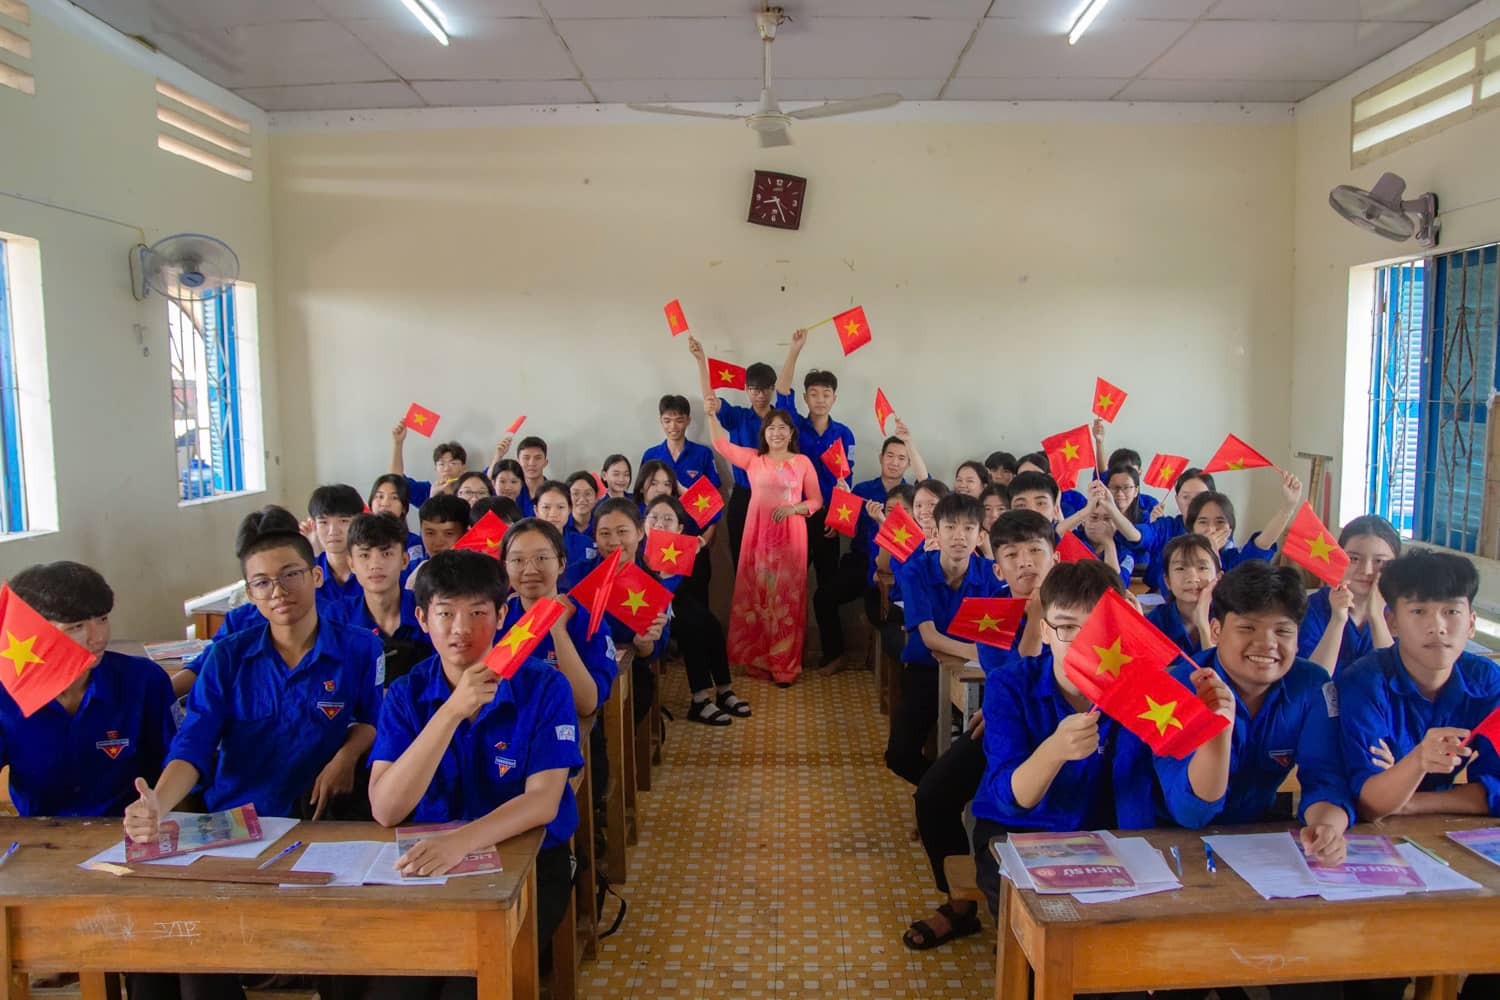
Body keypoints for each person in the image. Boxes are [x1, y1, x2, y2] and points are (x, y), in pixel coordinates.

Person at [123, 508, 383, 1000]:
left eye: (290, 576)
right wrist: (158, 801)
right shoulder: (228, 656)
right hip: (238, 819)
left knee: (348, 946)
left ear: (316, 575)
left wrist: (346, 757)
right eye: (261, 583)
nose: (278, 592)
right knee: (188, 946)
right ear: (249, 593)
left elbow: (373, 721)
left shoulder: (359, 648)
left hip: (322, 818)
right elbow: (192, 746)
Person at [365, 549, 581, 997]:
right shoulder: (407, 693)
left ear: (503, 614)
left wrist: (460, 843)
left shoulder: (544, 687)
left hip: (531, 864)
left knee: (468, 986)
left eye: (478, 612)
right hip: (429, 868)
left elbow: (543, 801)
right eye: (445, 613)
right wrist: (450, 711)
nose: (461, 629)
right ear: (423, 619)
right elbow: (386, 809)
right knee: (393, 987)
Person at [904, 509, 1058, 950]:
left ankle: (1033, 917)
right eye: (1012, 554)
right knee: (932, 797)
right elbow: (1016, 684)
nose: (1026, 563)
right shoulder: (991, 618)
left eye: (1035, 551)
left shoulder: (1077, 607)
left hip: (1065, 737)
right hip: (1010, 733)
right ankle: (960, 906)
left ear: (1055, 557)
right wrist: (1031, 620)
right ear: (997, 568)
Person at [968, 559, 1157, 921]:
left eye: (1101, 629)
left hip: (1100, 834)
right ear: (1045, 629)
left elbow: (1143, 793)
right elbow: (1012, 801)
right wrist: (1054, 751)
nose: (1085, 644)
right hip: (1017, 832)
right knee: (1042, 927)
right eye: (1068, 628)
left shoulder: (1136, 689)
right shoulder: (1009, 685)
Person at [1155, 562, 1352, 855]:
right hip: (1166, 840)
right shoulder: (1179, 687)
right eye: (1247, 627)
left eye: (1283, 631)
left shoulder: (1311, 686)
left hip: (1254, 841)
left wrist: (1328, 829)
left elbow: (1325, 778)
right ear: (1217, 630)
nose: (1266, 643)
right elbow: (1191, 814)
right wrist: (1218, 732)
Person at [0, 561, 176, 816]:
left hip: (131, 832)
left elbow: (179, 761)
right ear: (34, 633)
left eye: (102, 619)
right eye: (77, 627)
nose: (98, 637)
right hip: (44, 838)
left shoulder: (143, 680)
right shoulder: (7, 694)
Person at [1337, 549, 1500, 822]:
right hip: (1367, 837)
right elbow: (1369, 804)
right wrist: (1418, 761)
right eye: (1418, 611)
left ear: (1471, 624)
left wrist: (1407, 799)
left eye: (1451, 611)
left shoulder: (1487, 681)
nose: (1437, 627)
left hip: (1438, 831)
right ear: (1393, 622)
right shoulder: (1364, 684)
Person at [886, 493, 1007, 785]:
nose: (959, 536)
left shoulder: (989, 576)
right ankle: (943, 792)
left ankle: (945, 797)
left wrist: (983, 656)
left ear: (980, 536)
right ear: (936, 533)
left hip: (979, 677)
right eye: (951, 527)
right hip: (926, 671)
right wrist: (975, 650)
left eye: (968, 528)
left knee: (986, 746)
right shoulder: (917, 571)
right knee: (899, 755)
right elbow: (929, 637)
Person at [704, 398, 822, 686]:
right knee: (757, 596)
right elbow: (721, 444)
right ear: (764, 433)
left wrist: (795, 508)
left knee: (787, 600)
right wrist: (710, 414)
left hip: (791, 539)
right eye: (771, 428)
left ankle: (785, 665)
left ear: (791, 433)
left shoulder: (803, 462)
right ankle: (760, 660)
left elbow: (816, 500)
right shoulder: (754, 460)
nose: (777, 432)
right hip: (758, 537)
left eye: (783, 428)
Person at [814, 426, 928, 674]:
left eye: (901, 458)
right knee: (823, 597)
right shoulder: (863, 490)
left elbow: (927, 483)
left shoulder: (914, 495)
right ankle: (836, 655)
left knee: (882, 612)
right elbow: (847, 528)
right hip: (861, 561)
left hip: (895, 565)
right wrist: (840, 502)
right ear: (880, 457)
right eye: (890, 456)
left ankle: (890, 661)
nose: (895, 463)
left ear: (909, 464)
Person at [645, 494, 749, 722]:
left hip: (674, 605)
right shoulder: (636, 548)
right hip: (647, 612)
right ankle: (700, 699)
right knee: (693, 626)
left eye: (667, 519)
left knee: (709, 622)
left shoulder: (683, 550)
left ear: (680, 527)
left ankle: (724, 689)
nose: (659, 524)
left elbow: (690, 591)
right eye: (652, 518)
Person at [498, 518, 616, 718]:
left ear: (561, 563)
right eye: (517, 560)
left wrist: (559, 632)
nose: (530, 570)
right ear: (505, 567)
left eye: (541, 558)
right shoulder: (497, 620)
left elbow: (586, 704)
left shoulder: (586, 621)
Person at [775, 329, 855, 598]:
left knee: (827, 589)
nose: (820, 400)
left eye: (826, 394)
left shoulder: (844, 434)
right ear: (806, 397)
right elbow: (783, 391)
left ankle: (828, 641)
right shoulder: (794, 426)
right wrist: (794, 350)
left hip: (827, 520)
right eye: (814, 393)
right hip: (795, 512)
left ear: (835, 398)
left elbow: (847, 482)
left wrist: (838, 519)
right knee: (786, 584)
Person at [687, 334, 776, 563]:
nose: (760, 394)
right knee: (741, 555)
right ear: (746, 389)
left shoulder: (783, 420)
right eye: (754, 389)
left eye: (765, 389)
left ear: (773, 389)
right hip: (744, 494)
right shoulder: (738, 416)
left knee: (773, 558)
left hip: (776, 497)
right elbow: (711, 401)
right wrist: (700, 360)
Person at [328, 512, 435, 689]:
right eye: (364, 555)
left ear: (404, 560)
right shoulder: (336, 617)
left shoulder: (429, 610)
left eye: (386, 554)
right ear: (351, 564)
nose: (375, 564)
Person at [640, 394, 721, 603]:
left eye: (678, 420)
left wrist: (705, 540)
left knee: (696, 603)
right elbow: (641, 500)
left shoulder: (702, 454)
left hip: (693, 543)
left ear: (688, 420)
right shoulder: (651, 455)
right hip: (657, 546)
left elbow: (713, 507)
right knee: (658, 602)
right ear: (661, 421)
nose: (673, 426)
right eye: (667, 420)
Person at [1299, 514, 1399, 674]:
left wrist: (1377, 616)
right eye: (1354, 558)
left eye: (1379, 561)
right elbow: (1312, 682)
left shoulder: (1402, 612)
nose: (1366, 571)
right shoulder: (1311, 608)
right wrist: (1337, 621)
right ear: (1338, 557)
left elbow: (1395, 680)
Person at [1148, 534, 1222, 656]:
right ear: (1168, 581)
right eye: (1180, 568)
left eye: (1202, 568)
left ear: (1218, 578)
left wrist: (1203, 624)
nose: (1192, 578)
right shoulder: (1156, 622)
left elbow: (1217, 673)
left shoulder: (1229, 620)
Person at [309, 484, 365, 603]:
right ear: (314, 526)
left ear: (359, 522)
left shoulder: (374, 569)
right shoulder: (307, 573)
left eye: (343, 521)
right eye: (324, 522)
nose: (333, 531)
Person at [390, 421, 466, 507]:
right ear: (435, 468)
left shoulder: (472, 491)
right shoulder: (425, 491)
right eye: (441, 464)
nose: (446, 469)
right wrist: (398, 443)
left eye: (453, 463)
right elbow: (396, 479)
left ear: (463, 468)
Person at [368, 473, 426, 568]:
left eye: (394, 498)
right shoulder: (360, 540)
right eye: (380, 497)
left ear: (403, 507)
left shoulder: (413, 543)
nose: (385, 503)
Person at [515, 436, 550, 517]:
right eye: (526, 458)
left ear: (545, 462)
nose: (531, 463)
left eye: (538, 458)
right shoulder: (511, 490)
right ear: (518, 462)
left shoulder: (554, 492)